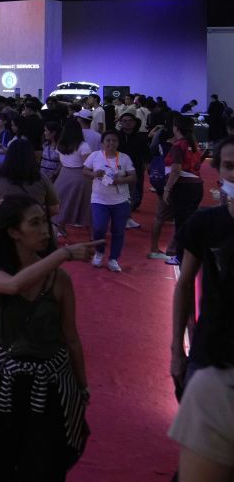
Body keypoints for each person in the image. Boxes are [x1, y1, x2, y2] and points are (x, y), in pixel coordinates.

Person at [0, 196, 94, 480]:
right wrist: (63, 255)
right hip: (5, 386)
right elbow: (14, 285)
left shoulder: (60, 280)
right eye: (35, 223)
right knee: (2, 460)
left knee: (47, 462)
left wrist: (82, 387)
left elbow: (71, 337)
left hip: (51, 385)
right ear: (13, 232)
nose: (45, 230)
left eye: (45, 221)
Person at [168, 138, 234, 480]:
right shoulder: (205, 224)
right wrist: (176, 350)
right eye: (230, 166)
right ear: (219, 171)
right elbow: (183, 285)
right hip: (214, 360)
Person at [81, 131, 137, 272]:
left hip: (121, 200)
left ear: (118, 143)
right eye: (108, 140)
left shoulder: (124, 158)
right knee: (99, 228)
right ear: (102, 142)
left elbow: (133, 177)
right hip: (99, 200)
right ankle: (99, 252)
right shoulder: (95, 156)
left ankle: (113, 258)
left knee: (118, 230)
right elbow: (85, 171)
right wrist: (94, 174)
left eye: (114, 141)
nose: (111, 143)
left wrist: (120, 180)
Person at [154, 117, 205, 265]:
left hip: (183, 187)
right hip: (196, 186)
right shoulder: (193, 144)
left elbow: (176, 169)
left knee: (182, 223)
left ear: (176, 128)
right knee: (188, 221)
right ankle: (186, 255)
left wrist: (167, 189)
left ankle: (181, 257)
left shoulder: (178, 146)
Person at [0, 137, 59, 220]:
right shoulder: (42, 179)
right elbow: (54, 209)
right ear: (31, 156)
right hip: (34, 226)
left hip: (7, 226)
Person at [53, 119, 92, 233]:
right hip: (80, 176)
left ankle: (61, 225)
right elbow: (88, 164)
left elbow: (61, 161)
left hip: (64, 174)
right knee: (81, 203)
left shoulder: (60, 144)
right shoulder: (83, 145)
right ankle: (87, 227)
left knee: (64, 201)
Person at [116, 113, 150, 220]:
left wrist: (148, 165)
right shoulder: (116, 136)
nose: (128, 123)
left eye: (130, 120)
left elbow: (147, 153)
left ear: (135, 122)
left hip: (136, 168)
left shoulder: (141, 137)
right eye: (124, 121)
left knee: (134, 193)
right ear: (120, 123)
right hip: (118, 168)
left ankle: (129, 215)